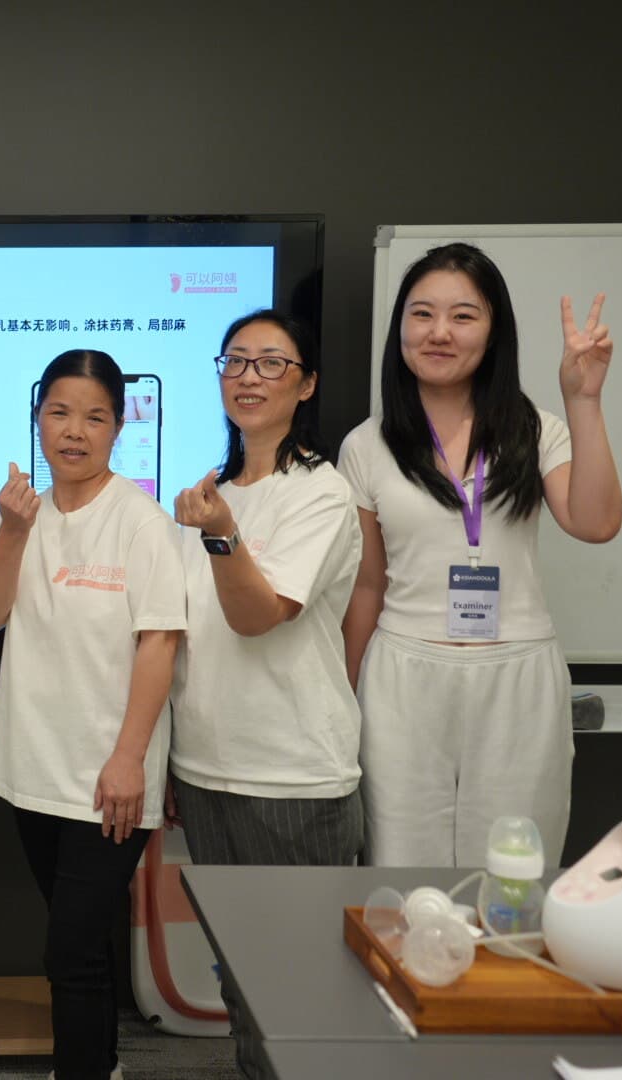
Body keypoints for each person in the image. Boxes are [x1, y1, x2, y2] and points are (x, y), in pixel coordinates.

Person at [338, 242, 622, 868]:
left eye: (463, 316)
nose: (440, 332)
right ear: (401, 329)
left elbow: (597, 522)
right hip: (402, 675)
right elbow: (366, 585)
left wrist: (585, 402)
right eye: (422, 314)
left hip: (517, 669)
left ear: (494, 332)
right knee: (401, 873)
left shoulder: (535, 428)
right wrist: (348, 699)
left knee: (514, 872)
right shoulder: (366, 445)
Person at [0, 349, 185, 1080]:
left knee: (66, 954)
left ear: (118, 428)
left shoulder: (142, 523)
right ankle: (105, 1065)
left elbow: (159, 644)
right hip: (32, 768)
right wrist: (12, 533)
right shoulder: (18, 514)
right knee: (86, 947)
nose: (74, 431)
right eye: (59, 412)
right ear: (38, 418)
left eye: (94, 416)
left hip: (108, 778)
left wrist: (129, 758)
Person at [167, 310, 362, 1078]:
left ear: (307, 383)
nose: (249, 377)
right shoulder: (211, 492)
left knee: (302, 990)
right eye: (236, 361)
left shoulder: (319, 492)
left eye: (271, 363)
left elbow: (255, 618)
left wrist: (221, 537)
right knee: (241, 985)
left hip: (292, 777)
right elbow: (188, 638)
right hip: (210, 772)